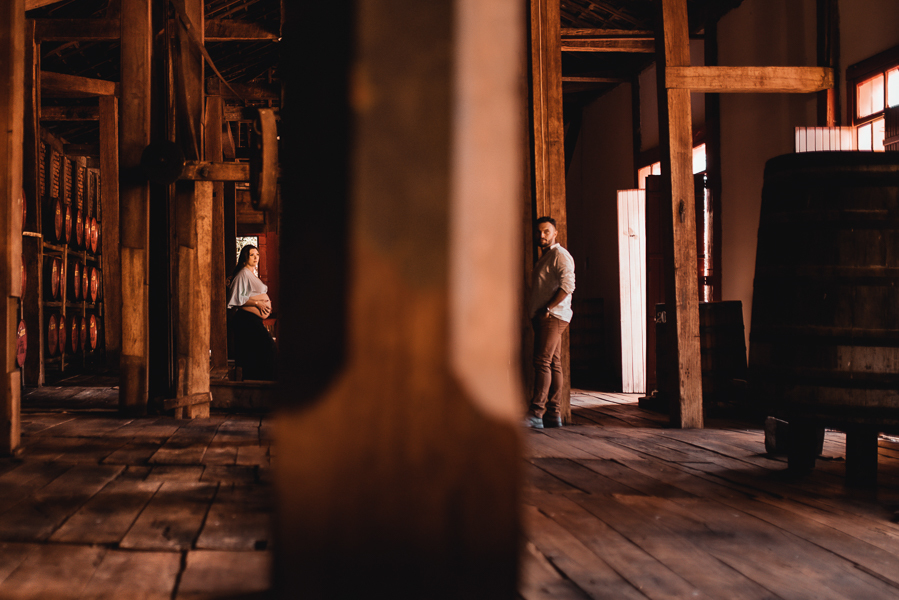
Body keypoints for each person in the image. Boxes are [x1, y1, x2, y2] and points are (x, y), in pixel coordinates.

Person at [525, 216, 575, 429]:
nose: (542, 235)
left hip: (552, 316)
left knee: (542, 362)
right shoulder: (546, 257)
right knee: (553, 363)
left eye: (546, 231)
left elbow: (568, 285)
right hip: (546, 316)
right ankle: (553, 414)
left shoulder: (560, 255)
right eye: (539, 232)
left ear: (555, 233)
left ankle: (536, 413)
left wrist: (547, 308)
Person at [227, 244, 277, 380]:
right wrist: (258, 303)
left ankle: (260, 380)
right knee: (268, 347)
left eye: (257, 254)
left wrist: (265, 304)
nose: (256, 257)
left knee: (258, 352)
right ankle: (259, 382)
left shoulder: (250, 274)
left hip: (253, 319)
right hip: (246, 320)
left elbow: (245, 295)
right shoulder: (243, 273)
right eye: (252, 255)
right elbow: (237, 299)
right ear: (245, 257)